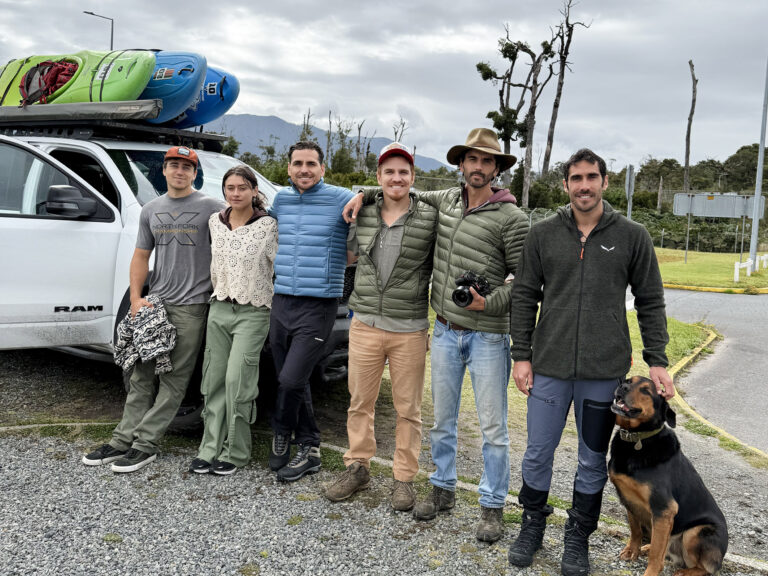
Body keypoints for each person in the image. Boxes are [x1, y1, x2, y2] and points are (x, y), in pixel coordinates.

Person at [344, 127, 530, 543]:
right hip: (445, 331)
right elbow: (396, 192)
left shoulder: (513, 218)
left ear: (497, 168)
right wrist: (361, 194)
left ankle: (492, 505)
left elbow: (525, 280)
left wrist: (490, 303)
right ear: (461, 164)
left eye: (487, 161)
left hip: (488, 337)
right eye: (472, 159)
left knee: (493, 428)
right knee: (443, 421)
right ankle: (442, 489)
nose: (478, 167)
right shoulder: (443, 200)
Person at [506, 148, 675, 576]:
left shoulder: (633, 235)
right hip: (548, 367)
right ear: (565, 184)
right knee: (538, 452)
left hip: (604, 374)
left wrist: (657, 360)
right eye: (576, 178)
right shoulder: (542, 234)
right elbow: (525, 294)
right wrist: (521, 355)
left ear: (604, 182)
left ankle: (578, 536)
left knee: (590, 457)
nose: (584, 185)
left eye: (591, 177)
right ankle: (532, 525)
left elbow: (650, 300)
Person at [82, 145, 224, 473]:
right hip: (155, 305)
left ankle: (145, 445)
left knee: (174, 379)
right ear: (163, 170)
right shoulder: (151, 210)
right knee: (140, 374)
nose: (179, 171)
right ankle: (121, 440)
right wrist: (135, 298)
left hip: (192, 307)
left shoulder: (213, 209)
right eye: (173, 165)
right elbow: (141, 257)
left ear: (194, 173)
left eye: (186, 167)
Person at [324, 143, 436, 511]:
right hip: (366, 323)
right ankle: (357, 468)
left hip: (410, 328)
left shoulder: (429, 216)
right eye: (389, 172)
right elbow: (352, 255)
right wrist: (361, 197)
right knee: (360, 403)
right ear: (378, 177)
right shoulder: (365, 211)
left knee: (409, 410)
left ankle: (403, 480)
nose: (396, 178)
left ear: (413, 177)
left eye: (403, 171)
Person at [268, 141, 355, 482]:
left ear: (322, 169)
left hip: (319, 303)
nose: (304, 169)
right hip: (282, 300)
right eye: (298, 163)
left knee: (291, 379)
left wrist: (365, 197)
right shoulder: (281, 200)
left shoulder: (340, 197)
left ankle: (284, 430)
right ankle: (309, 447)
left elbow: (373, 205)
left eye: (311, 164)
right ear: (288, 168)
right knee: (290, 376)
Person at [188, 166, 277, 476]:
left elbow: (279, 267)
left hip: (253, 312)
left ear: (254, 190)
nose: (235, 193)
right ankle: (209, 448)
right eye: (230, 188)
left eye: (242, 187)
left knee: (237, 382)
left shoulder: (268, 226)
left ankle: (235, 451)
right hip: (219, 308)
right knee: (212, 381)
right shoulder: (216, 221)